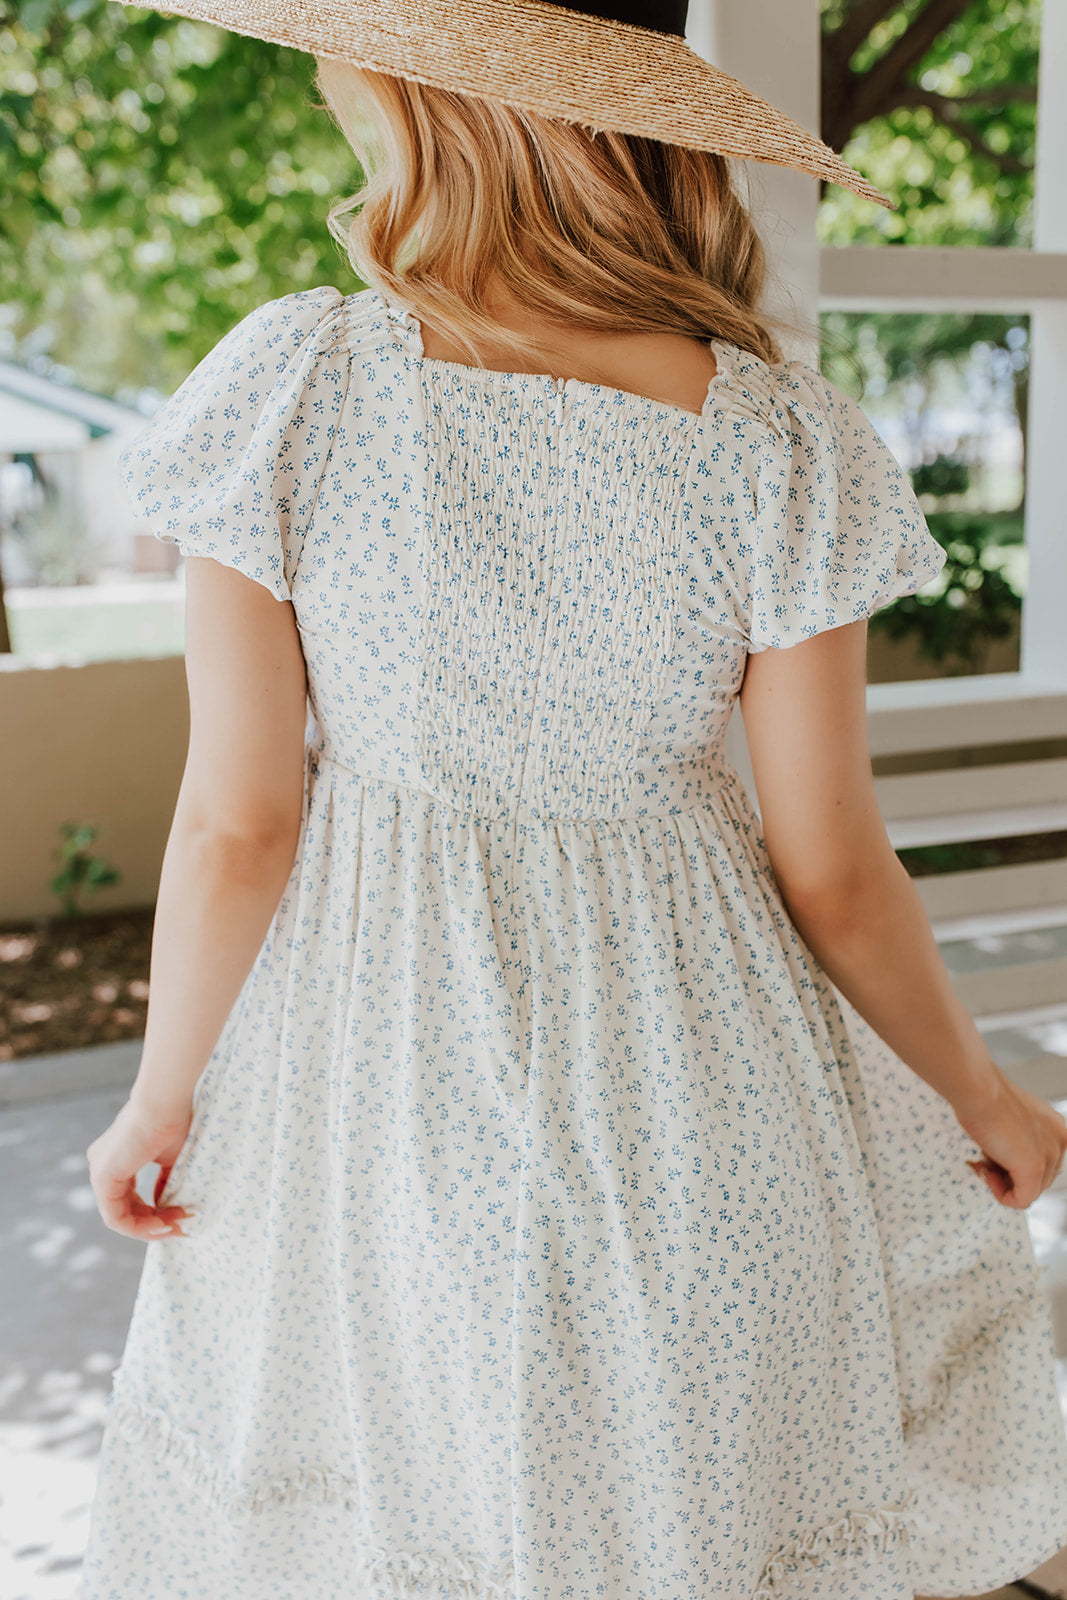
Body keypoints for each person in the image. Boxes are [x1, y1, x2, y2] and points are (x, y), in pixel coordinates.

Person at [77, 3, 1067, 1597]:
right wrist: (987, 1103)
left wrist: (162, 1094)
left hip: (384, 1058)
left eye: (353, 43)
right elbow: (834, 868)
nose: (330, 67)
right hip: (706, 1085)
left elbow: (237, 825)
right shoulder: (784, 443)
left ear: (427, 90)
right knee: (675, 1510)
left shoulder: (299, 383)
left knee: (421, 1498)